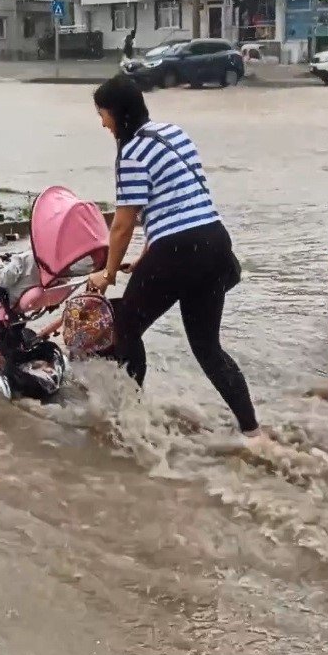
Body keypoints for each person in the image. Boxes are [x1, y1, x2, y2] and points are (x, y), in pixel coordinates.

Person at [86, 75, 259, 436]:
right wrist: (146, 255)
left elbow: (122, 224)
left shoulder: (131, 154)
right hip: (213, 243)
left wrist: (109, 273)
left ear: (118, 114)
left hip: (178, 251)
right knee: (208, 348)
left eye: (103, 114)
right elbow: (177, 201)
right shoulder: (174, 134)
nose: (102, 123)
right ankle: (253, 432)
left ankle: (132, 422)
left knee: (126, 328)